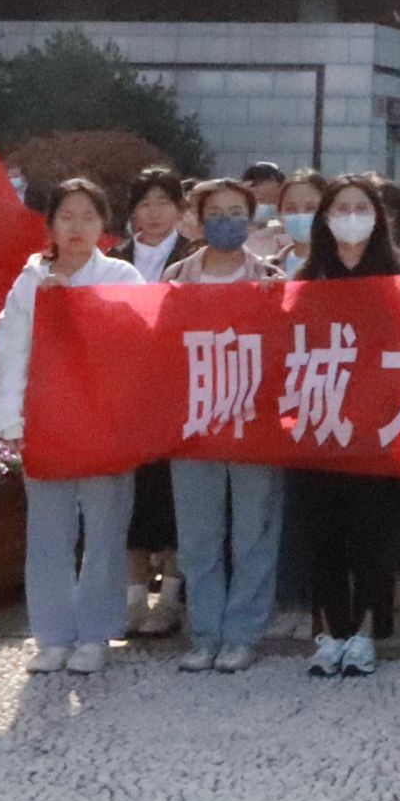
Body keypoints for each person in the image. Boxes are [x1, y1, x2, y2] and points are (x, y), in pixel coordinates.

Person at [0, 178, 148, 674]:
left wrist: (81, 304)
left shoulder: (122, 276)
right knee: (48, 533)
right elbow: (10, 350)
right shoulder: (30, 280)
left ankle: (96, 633)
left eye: (88, 217)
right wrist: (9, 416)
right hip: (46, 419)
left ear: (104, 226)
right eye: (67, 217)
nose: (77, 227)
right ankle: (52, 635)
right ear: (51, 225)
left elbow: (136, 341)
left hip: (103, 421)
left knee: (104, 531)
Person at [295, 175, 400, 678]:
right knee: (321, 533)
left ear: (378, 218)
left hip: (380, 430)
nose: (351, 217)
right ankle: (329, 632)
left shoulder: (399, 277)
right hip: (318, 426)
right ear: (324, 219)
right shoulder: (305, 279)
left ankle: (367, 632)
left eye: (361, 208)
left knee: (377, 534)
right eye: (340, 208)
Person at [163, 177, 285, 673]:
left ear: (251, 220)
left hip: (253, 420)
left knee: (254, 532)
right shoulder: (176, 277)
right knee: (198, 537)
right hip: (194, 420)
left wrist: (277, 302)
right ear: (198, 218)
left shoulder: (270, 277)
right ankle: (205, 632)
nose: (227, 222)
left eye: (237, 213)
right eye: (217, 213)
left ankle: (243, 634)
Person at [112, 165, 196, 639]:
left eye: (164, 202)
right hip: (125, 397)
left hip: (181, 396)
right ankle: (131, 599)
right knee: (131, 500)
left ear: (180, 210)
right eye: (145, 203)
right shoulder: (112, 260)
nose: (154, 212)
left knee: (174, 499)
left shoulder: (195, 258)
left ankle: (169, 601)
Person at [271, 168, 325, 278]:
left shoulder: (344, 266)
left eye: (311, 208)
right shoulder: (266, 268)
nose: (301, 215)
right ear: (279, 214)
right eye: (291, 209)